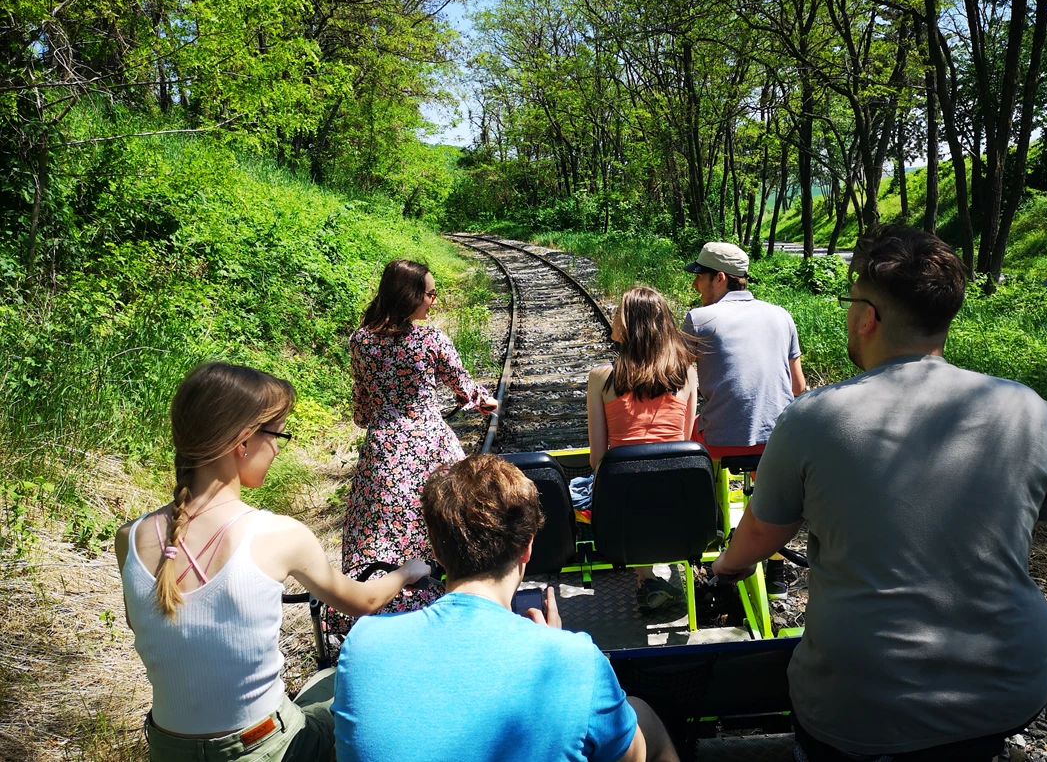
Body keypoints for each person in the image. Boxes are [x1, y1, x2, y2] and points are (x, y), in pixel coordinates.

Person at [711, 225, 1047, 761]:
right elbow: (1023, 525)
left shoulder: (814, 417)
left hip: (861, 704)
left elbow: (761, 531)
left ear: (867, 316)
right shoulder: (1028, 409)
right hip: (1009, 686)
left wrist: (726, 570)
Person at [115, 361, 431, 762]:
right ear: (243, 442)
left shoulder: (129, 538)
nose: (279, 447)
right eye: (277, 433)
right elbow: (363, 602)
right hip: (263, 746)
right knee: (372, 697)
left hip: (167, 748)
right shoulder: (278, 534)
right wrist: (407, 572)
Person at [332, 454, 680, 762]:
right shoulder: (574, 658)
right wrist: (554, 650)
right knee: (642, 717)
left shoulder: (363, 642)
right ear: (527, 548)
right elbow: (632, 758)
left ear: (436, 552)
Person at [342, 259, 497, 617]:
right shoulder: (430, 340)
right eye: (429, 293)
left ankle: (385, 601)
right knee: (448, 517)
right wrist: (483, 401)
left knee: (380, 527)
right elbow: (465, 389)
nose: (434, 300)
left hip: (382, 450)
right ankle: (447, 597)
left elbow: (361, 410)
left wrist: (383, 414)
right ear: (408, 295)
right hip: (430, 445)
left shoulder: (361, 340)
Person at [587, 286, 697, 609]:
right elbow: (685, 445)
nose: (613, 317)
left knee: (622, 479)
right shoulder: (688, 374)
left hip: (622, 514)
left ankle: (645, 576)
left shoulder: (601, 379)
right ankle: (649, 579)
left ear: (630, 324)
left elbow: (597, 459)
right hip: (678, 506)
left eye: (619, 311)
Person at [681, 241, 805, 457]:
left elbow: (673, 379)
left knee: (684, 431)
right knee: (764, 459)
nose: (694, 285)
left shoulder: (698, 319)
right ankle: (761, 488)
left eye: (699, 277)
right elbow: (798, 387)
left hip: (719, 443)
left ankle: (710, 490)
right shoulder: (782, 315)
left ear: (720, 278)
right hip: (778, 441)